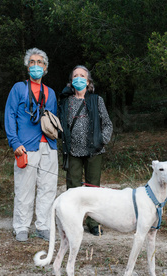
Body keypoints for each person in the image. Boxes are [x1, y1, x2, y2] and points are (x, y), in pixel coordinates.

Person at [4, 48, 58, 242]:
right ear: (28, 67)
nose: (36, 66)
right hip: (26, 146)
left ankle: (43, 226)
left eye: (40, 62)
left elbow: (51, 119)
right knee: (24, 189)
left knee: (48, 188)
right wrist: (14, 142)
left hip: (49, 146)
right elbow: (9, 115)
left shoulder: (50, 93)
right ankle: (21, 227)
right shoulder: (18, 88)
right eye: (32, 62)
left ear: (45, 68)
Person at [59, 65, 113, 236]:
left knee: (93, 188)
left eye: (82, 76)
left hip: (94, 151)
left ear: (88, 81)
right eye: (76, 76)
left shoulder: (96, 100)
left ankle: (93, 223)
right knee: (73, 188)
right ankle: (72, 223)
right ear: (71, 81)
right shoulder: (66, 102)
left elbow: (107, 124)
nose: (79, 78)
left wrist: (102, 141)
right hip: (73, 151)